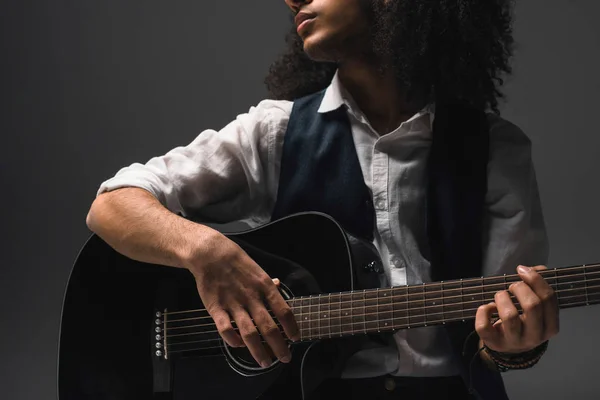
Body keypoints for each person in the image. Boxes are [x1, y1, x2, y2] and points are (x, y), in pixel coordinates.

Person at [86, 0, 560, 399]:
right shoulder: (276, 131)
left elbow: (507, 324)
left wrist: (512, 345)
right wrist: (207, 253)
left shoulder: (495, 149)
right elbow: (113, 204)